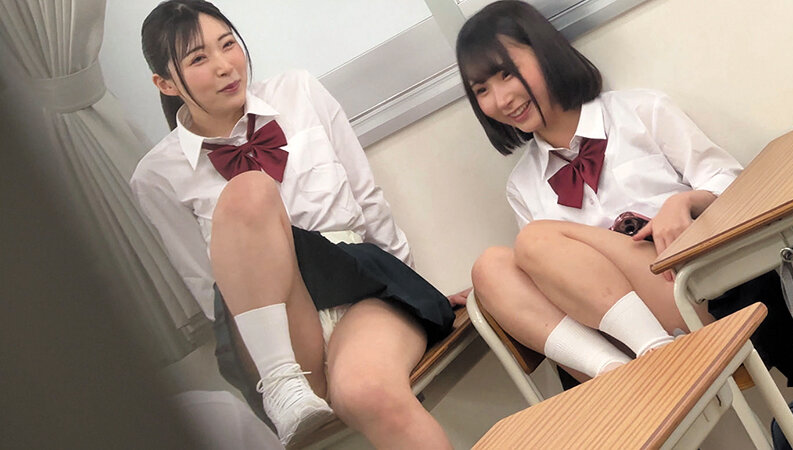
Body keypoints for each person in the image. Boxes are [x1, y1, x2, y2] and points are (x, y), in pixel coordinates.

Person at [131, 1, 457, 447]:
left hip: (358, 287)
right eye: (199, 58)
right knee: (249, 192)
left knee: (368, 392)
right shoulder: (156, 176)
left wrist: (414, 289)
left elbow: (368, 200)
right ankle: (282, 385)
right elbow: (207, 286)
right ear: (165, 83)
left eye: (228, 44)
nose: (225, 65)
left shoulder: (298, 91)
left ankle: (296, 383)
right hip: (272, 332)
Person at [456, 0, 748, 380]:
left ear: (545, 51)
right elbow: (550, 289)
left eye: (506, 74)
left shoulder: (640, 112)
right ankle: (615, 373)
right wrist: (499, 290)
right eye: (482, 89)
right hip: (615, 343)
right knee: (489, 268)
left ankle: (649, 356)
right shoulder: (522, 185)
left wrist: (685, 202)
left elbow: (730, 180)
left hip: (688, 296)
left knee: (533, 240)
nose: (501, 99)